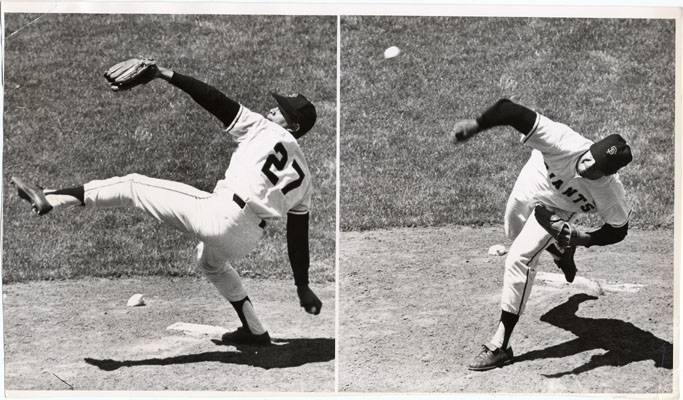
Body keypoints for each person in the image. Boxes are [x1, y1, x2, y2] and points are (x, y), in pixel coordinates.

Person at [11, 61, 323, 346]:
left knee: (133, 185)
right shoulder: (305, 178)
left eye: (280, 109)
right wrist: (302, 286)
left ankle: (51, 197)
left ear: (292, 126)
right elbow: (298, 238)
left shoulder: (264, 129)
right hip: (247, 237)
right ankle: (254, 330)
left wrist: (164, 73)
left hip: (221, 214)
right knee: (210, 262)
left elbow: (214, 99)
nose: (272, 109)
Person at [451, 99, 632, 371]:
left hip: (555, 212)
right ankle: (559, 250)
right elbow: (508, 109)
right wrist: (476, 125)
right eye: (589, 157)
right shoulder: (563, 141)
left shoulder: (610, 193)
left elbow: (618, 230)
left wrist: (583, 239)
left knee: (518, 259)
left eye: (595, 168)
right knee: (513, 231)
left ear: (610, 173)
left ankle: (501, 345)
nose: (585, 166)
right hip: (532, 182)